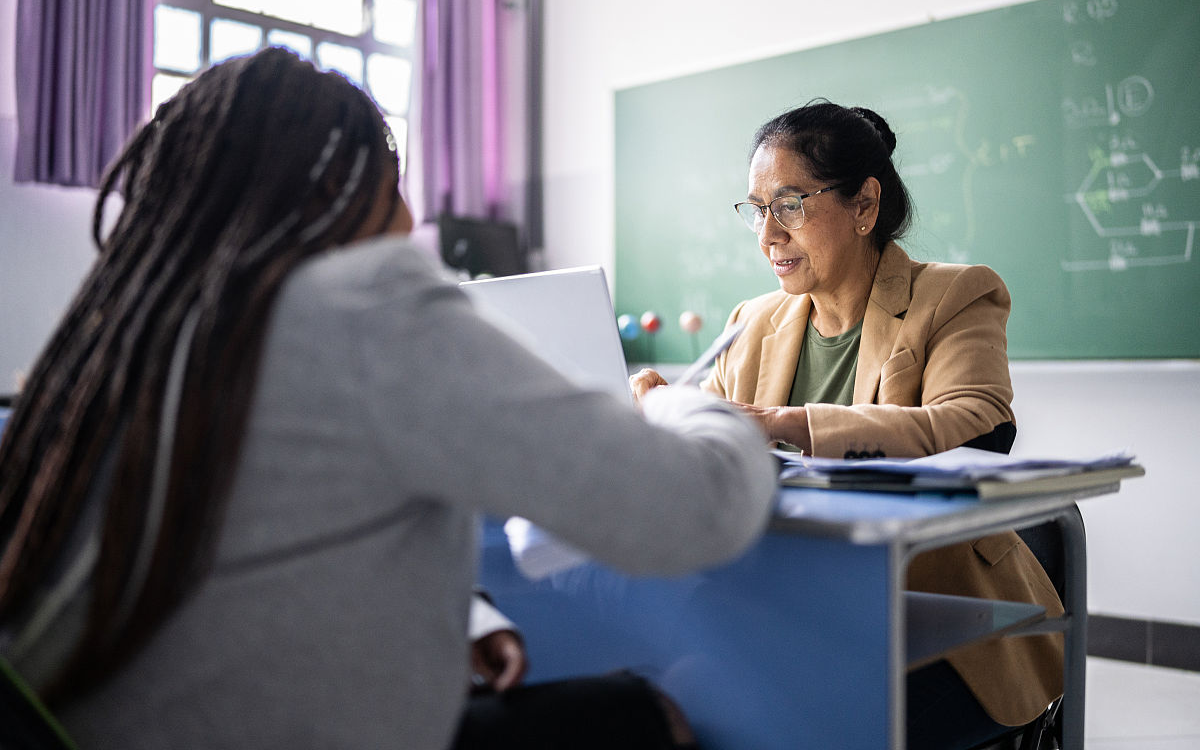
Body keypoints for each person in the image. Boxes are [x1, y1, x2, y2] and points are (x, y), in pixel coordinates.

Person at [0, 48, 778, 749]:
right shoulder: (365, 306)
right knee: (650, 715)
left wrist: (459, 616)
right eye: (390, 182)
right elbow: (697, 507)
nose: (408, 222)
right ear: (339, 191)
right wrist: (680, 401)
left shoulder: (124, 326)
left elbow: (233, 536)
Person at [631, 100, 1063, 749]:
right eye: (756, 208)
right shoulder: (753, 320)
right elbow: (715, 441)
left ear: (864, 206)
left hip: (946, 629)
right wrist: (663, 410)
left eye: (791, 204)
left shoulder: (955, 294)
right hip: (790, 612)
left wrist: (789, 423)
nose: (767, 235)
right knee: (663, 696)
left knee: (790, 718)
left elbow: (975, 424)